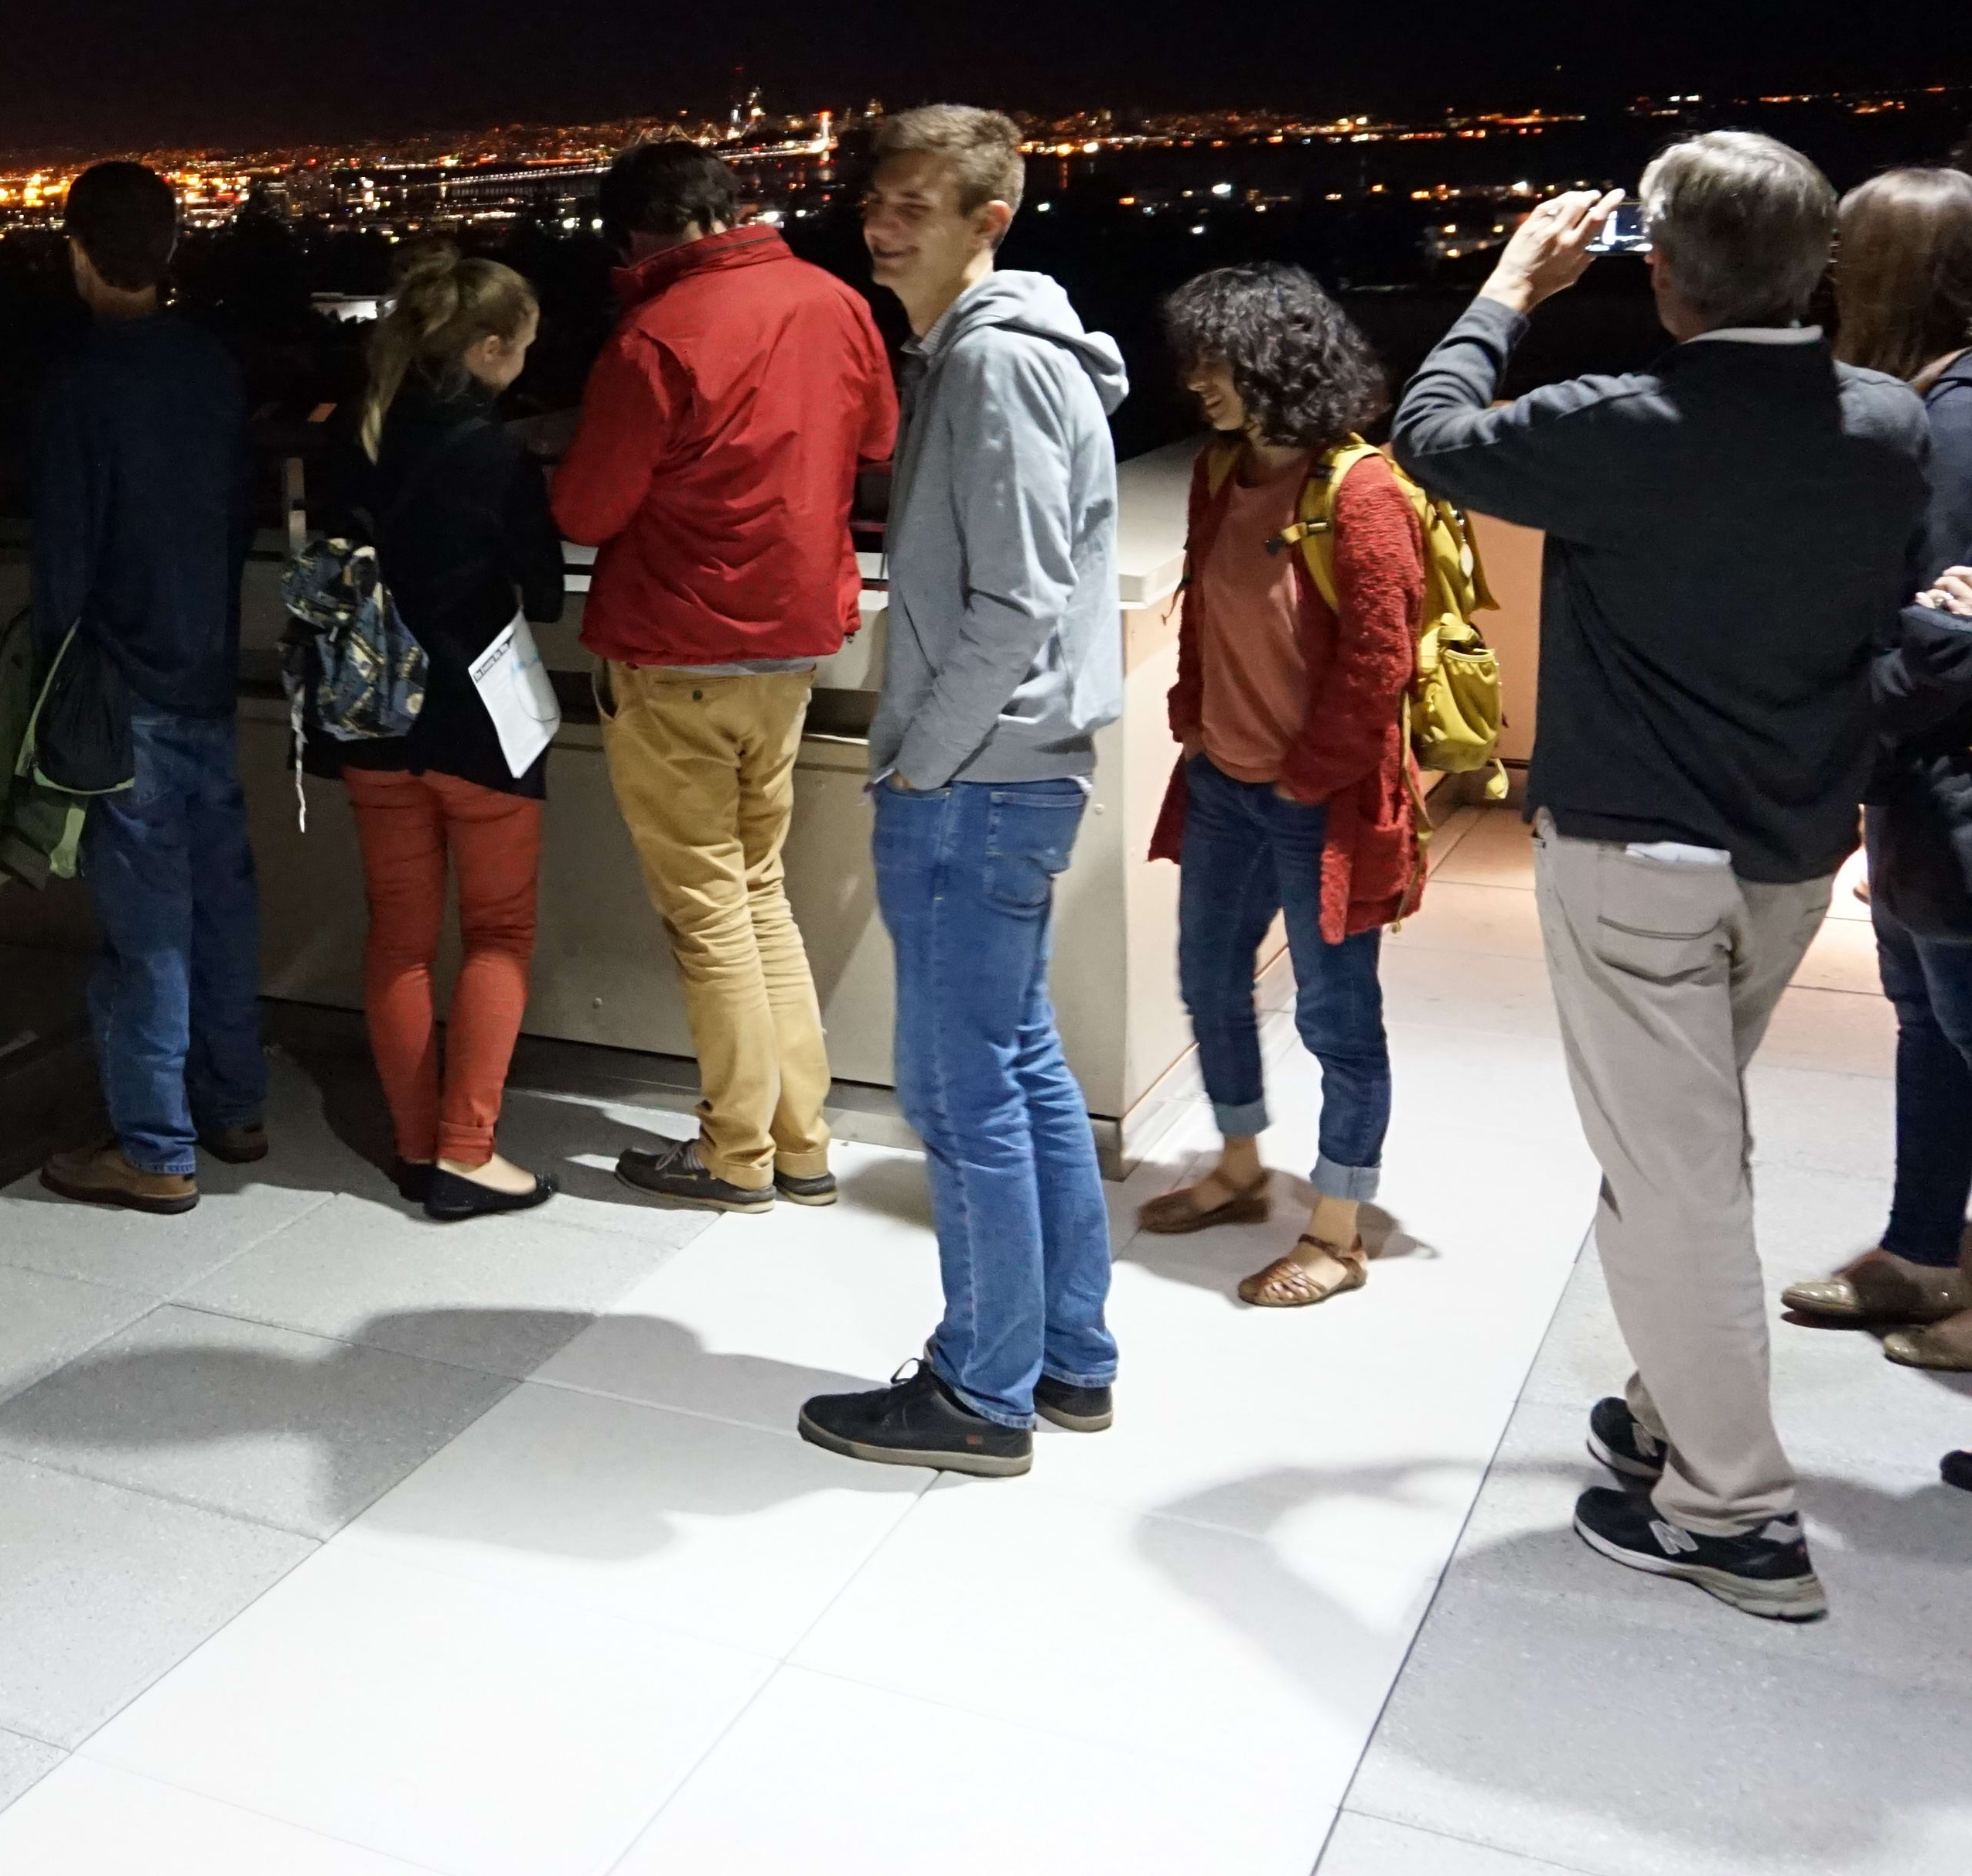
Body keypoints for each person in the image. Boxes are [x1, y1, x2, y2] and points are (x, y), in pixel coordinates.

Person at [1394, 133, 1929, 1622]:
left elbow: (1428, 434)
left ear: (1664, 272)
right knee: (1690, 1152)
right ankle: (1660, 1411)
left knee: (1676, 1178)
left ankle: (1735, 1518)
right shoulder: (1883, 421)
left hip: (1637, 861)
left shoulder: (1620, 421)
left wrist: (1508, 286)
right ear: (1814, 267)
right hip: (1787, 853)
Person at [799, 105, 1130, 1480]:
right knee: (1020, 1067)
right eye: (878, 201)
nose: (884, 226)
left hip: (978, 780)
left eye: (917, 206)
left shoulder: (990, 368)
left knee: (958, 1091)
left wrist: (918, 753)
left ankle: (982, 1391)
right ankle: (1064, 1355)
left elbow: (1015, 599)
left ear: (990, 218)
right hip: (1019, 773)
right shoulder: (1001, 352)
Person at [551, 139, 896, 1215]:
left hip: (678, 653)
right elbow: (878, 435)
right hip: (793, 646)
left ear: (635, 235)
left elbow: (584, 512)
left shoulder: (655, 336)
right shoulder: (835, 300)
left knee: (709, 912)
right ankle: (800, 1143)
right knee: (760, 896)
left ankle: (734, 1152)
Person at [1135, 264, 1428, 1307]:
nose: (1197, 381)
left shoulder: (1361, 489)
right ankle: (1241, 1165)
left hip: (1320, 800)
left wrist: (1305, 778)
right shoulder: (1220, 472)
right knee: (1209, 980)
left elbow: (1378, 662)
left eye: (1215, 359)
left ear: (1274, 361)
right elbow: (1206, 612)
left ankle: (1340, 1231)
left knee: (1338, 1017)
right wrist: (1193, 720)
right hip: (1222, 783)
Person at [31, 160, 268, 1213]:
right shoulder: (212, 370)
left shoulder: (81, 384)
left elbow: (64, 559)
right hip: (208, 671)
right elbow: (237, 517)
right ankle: (236, 1104)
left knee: (147, 926)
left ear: (79, 252)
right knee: (220, 904)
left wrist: (49, 679)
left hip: (122, 685)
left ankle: (155, 1146)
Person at [1779, 169, 1972, 1374]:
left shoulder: (1951, 426)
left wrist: (1835, 722)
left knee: (1957, 1028)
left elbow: (1945, 641)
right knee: (1929, 1029)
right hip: (1919, 797)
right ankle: (1919, 1251)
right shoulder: (1929, 404)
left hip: (1950, 794)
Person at [327, 249, 564, 1217]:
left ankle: (416, 1144)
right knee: (497, 934)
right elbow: (543, 589)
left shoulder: (355, 434)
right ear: (489, 346)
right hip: (480, 726)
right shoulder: (496, 454)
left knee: (399, 939)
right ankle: (468, 1151)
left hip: (372, 718)